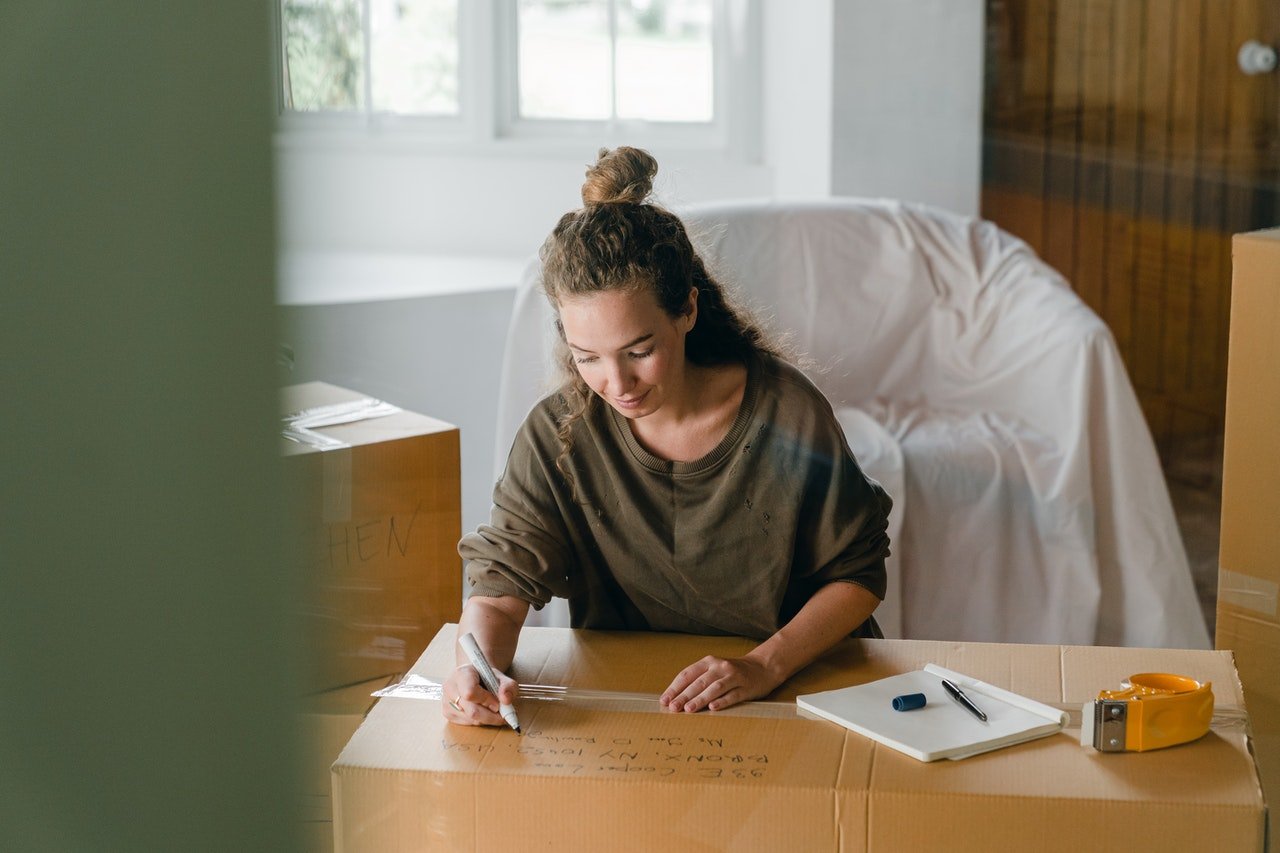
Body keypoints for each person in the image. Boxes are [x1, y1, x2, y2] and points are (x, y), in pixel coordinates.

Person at [443, 147, 892, 727]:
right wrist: (475, 671)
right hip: (635, 701)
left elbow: (857, 575)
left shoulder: (785, 414)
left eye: (640, 351)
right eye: (588, 358)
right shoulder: (558, 433)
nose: (617, 384)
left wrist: (763, 666)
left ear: (687, 311)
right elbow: (499, 592)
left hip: (793, 689)